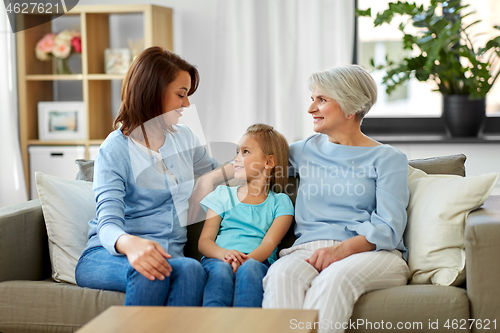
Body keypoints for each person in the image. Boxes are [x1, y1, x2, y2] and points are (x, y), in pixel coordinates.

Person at [262, 65, 410, 333]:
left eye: (322, 100)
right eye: (312, 99)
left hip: (372, 253)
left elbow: (389, 227)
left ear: (350, 107)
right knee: (281, 274)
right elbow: (255, 162)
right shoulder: (304, 150)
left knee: (334, 279)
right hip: (309, 249)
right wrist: (210, 176)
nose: (311, 109)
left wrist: (340, 251)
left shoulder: (388, 158)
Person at [75, 47, 219, 306]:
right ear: (154, 92)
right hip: (109, 254)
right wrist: (132, 246)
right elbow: (108, 223)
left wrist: (209, 178)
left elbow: (220, 170)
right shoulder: (115, 149)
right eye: (181, 95)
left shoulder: (184, 137)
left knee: (192, 269)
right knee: (152, 272)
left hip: (168, 255)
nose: (186, 103)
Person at [198, 124, 294, 307]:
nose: (236, 159)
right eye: (237, 152)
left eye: (246, 152)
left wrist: (244, 261)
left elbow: (269, 243)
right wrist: (225, 255)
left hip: (257, 262)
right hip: (217, 259)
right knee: (220, 271)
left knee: (249, 270)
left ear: (269, 162)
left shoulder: (280, 202)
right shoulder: (222, 195)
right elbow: (205, 241)